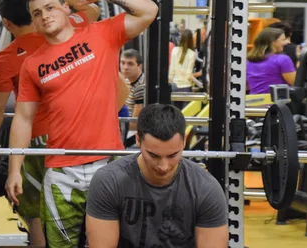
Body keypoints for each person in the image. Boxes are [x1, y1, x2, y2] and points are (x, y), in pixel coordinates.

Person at [6, 0, 158, 247]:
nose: (45, 16)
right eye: (37, 13)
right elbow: (23, 118)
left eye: (50, 7)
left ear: (66, 8)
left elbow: (149, 10)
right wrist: (14, 170)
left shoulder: (102, 34)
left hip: (107, 165)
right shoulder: (32, 64)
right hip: (60, 172)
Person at [0, 0, 100, 245]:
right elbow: (93, 11)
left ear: (6, 23)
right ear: (32, 13)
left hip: (39, 142)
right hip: (81, 136)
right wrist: (63, 1)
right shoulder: (67, 26)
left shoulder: (5, 58)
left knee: (33, 211)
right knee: (88, 208)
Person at [85, 104, 229, 248]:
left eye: (173, 155)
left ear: (184, 141)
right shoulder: (109, 181)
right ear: (137, 140)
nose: (163, 167)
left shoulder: (206, 189)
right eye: (153, 155)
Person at [246, 27, 296, 94]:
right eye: (283, 40)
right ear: (273, 42)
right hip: (275, 102)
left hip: (252, 101)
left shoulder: (249, 60)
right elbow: (295, 83)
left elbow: (247, 85)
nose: (286, 43)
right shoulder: (283, 59)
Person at [169, 29, 199, 110]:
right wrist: (199, 83)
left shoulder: (174, 50)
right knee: (186, 113)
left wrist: (170, 81)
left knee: (175, 112)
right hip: (186, 87)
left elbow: (171, 70)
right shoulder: (192, 54)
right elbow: (189, 75)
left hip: (175, 86)